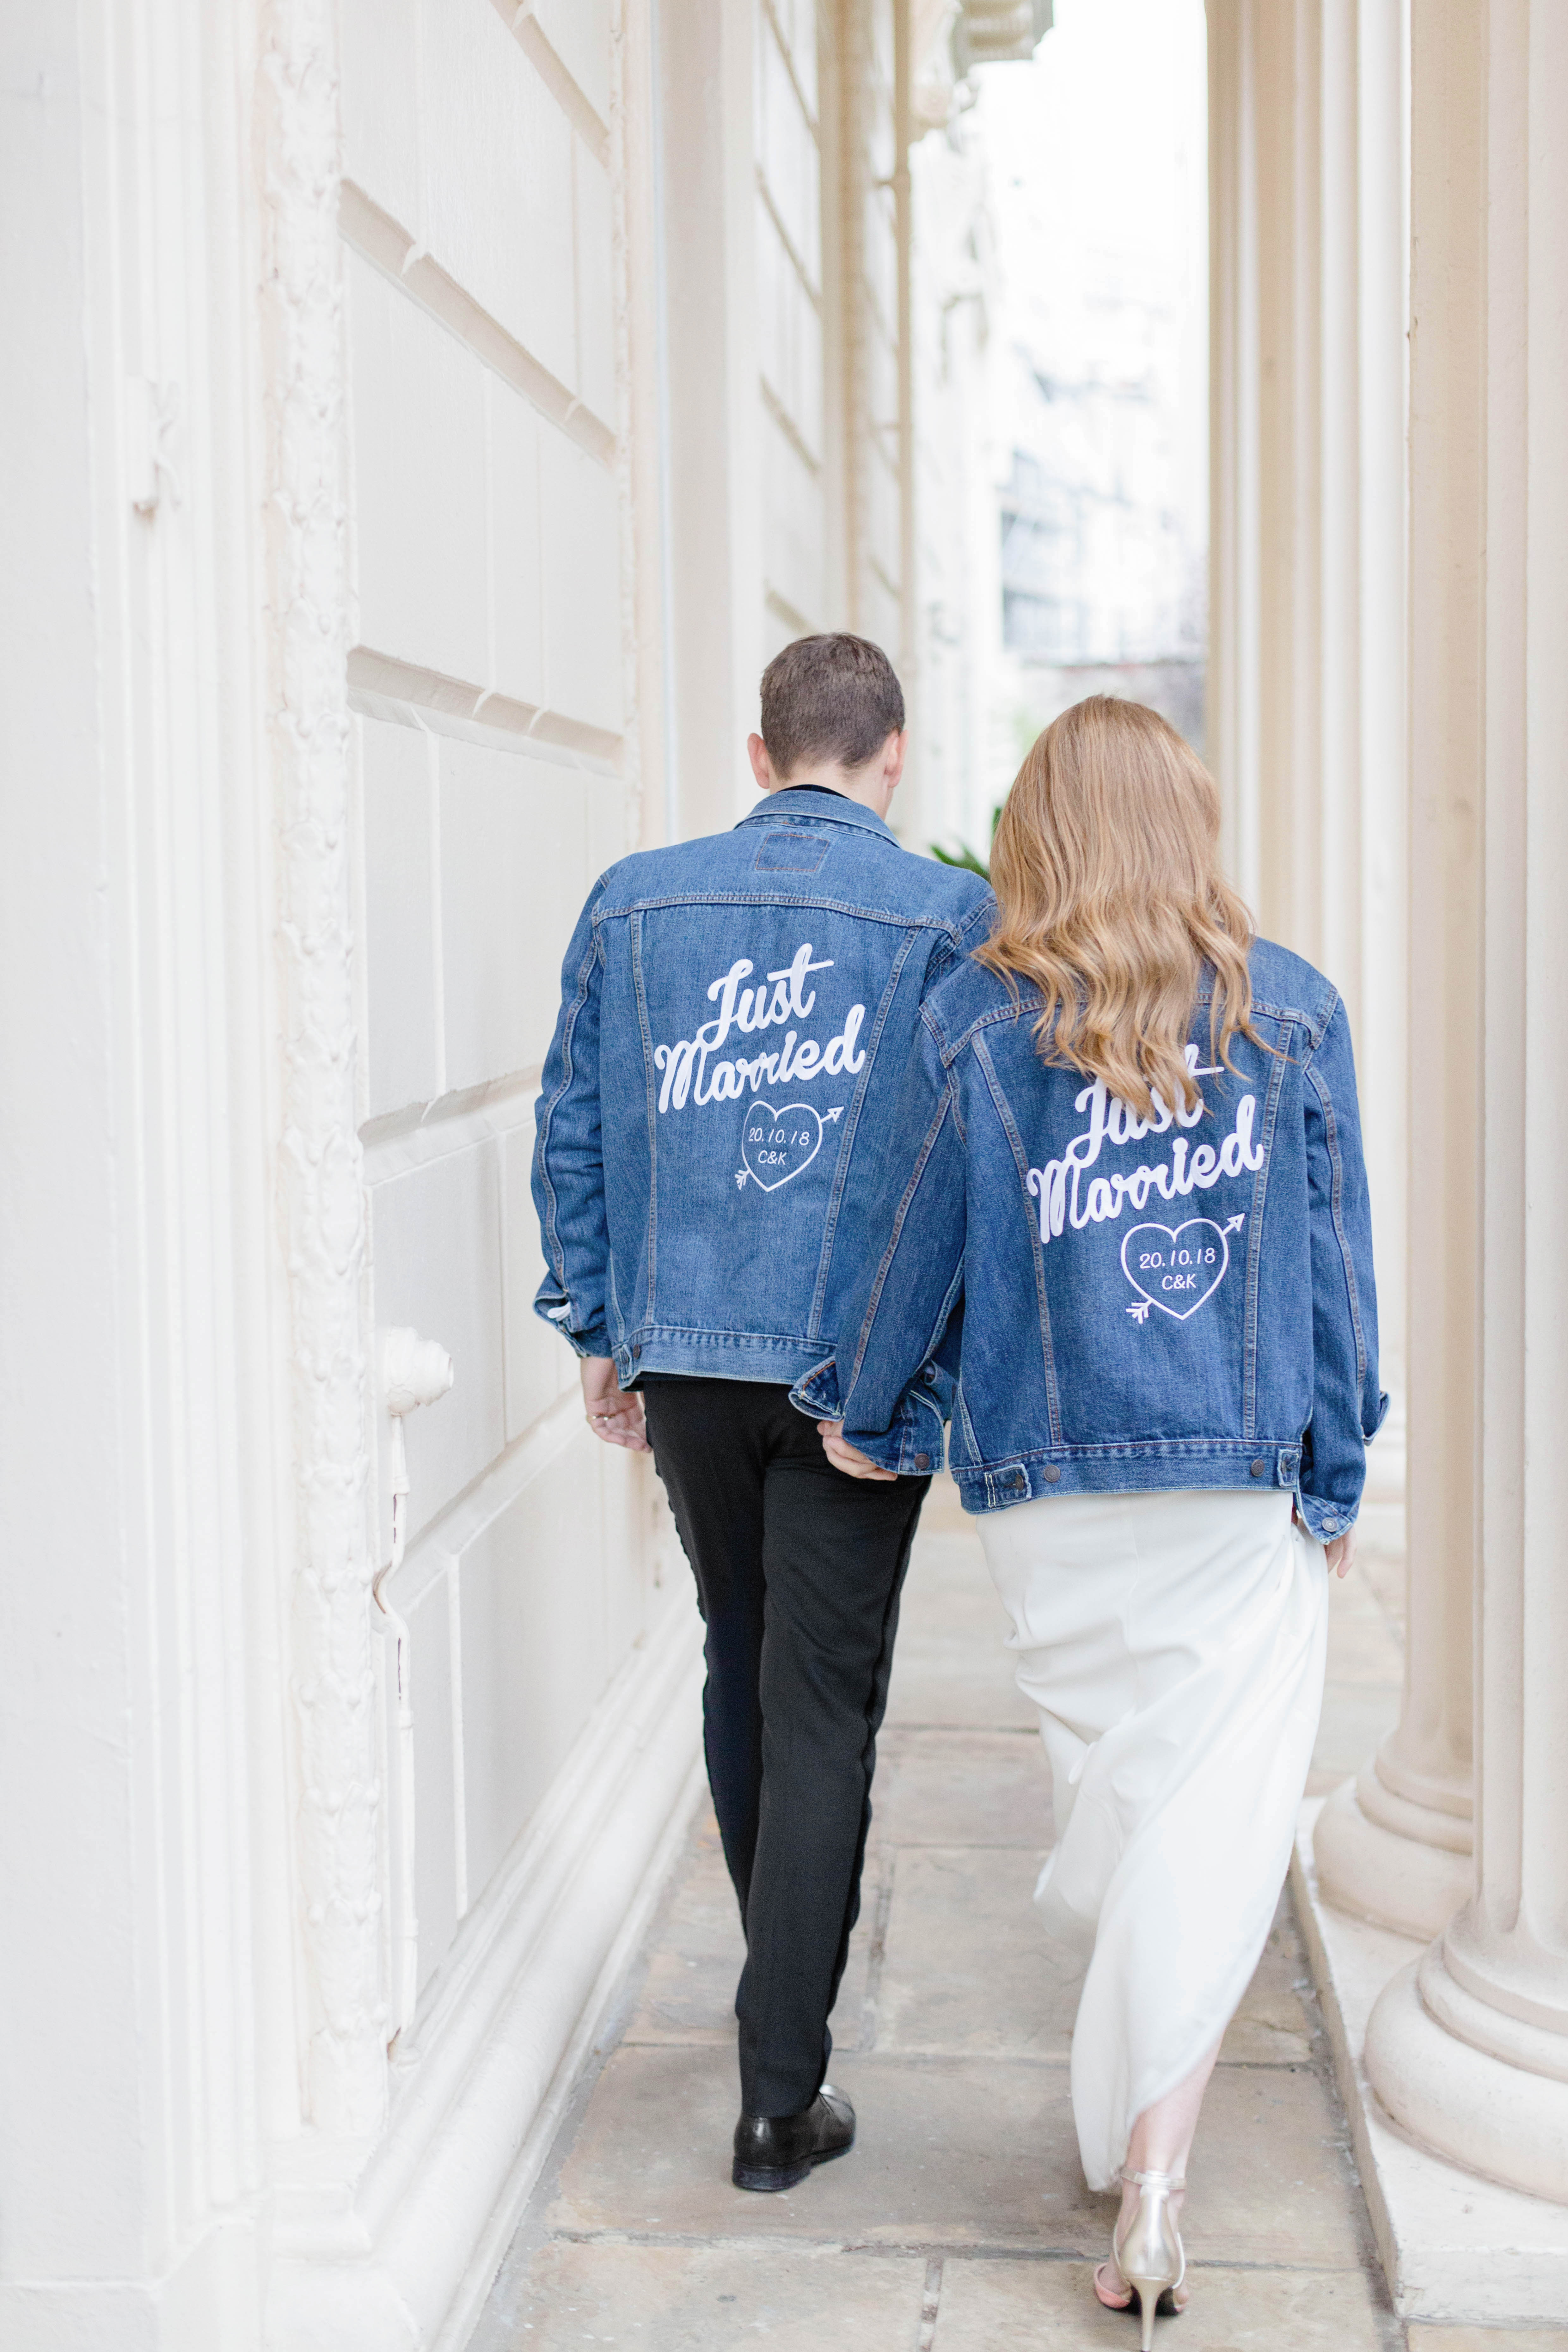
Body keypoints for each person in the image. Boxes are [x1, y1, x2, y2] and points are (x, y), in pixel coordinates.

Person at [795, 695, 1383, 2344]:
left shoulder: (981, 1019)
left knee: (1138, 1812)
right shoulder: (1298, 1017)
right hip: (1230, 1485)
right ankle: (1156, 2176)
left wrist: (870, 1409)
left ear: (1038, 837)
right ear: (1187, 823)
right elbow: (1336, 1268)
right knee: (1202, 1821)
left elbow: (904, 1232)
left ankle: (1146, 2160)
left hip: (1052, 1497)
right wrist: (1337, 1468)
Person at [532, 633, 993, 2191]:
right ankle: (778, 2088)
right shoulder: (948, 920)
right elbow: (978, 1167)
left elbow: (575, 1131)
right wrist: (936, 1381)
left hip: (692, 1363)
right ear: (895, 754)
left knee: (743, 1651)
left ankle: (778, 2013)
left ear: (757, 754)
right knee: (822, 1701)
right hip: (856, 1376)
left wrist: (605, 1328)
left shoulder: (635, 901)